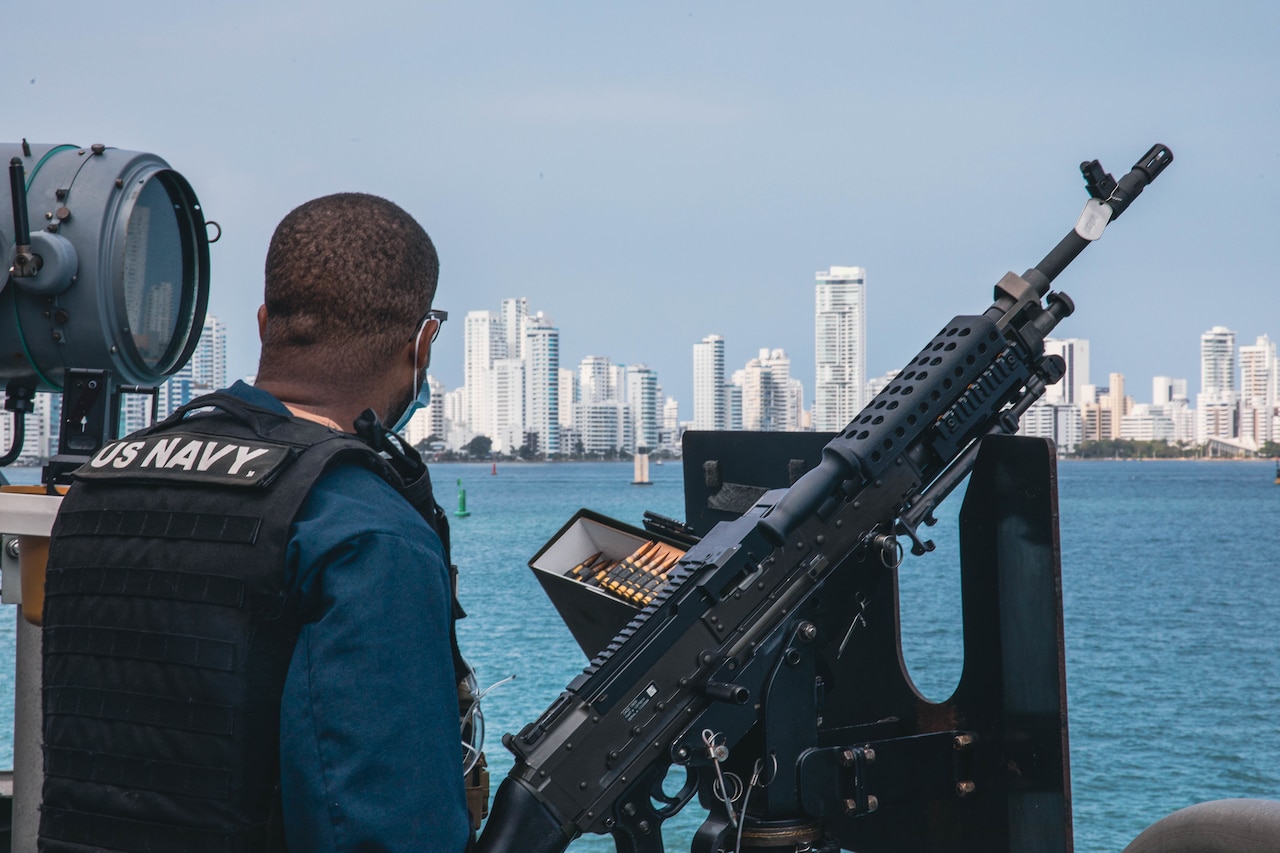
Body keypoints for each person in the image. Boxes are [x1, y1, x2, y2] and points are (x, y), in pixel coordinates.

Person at [38, 193, 473, 852]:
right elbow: (383, 826)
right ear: (423, 342)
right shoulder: (364, 527)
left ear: (266, 321)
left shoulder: (103, 481)